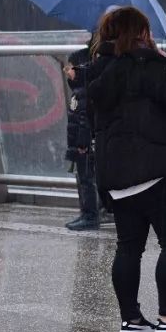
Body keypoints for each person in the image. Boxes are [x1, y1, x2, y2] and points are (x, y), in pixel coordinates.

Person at [86, 6, 166, 332]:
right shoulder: (144, 65)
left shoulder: (98, 69)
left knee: (128, 247)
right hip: (154, 170)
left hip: (117, 176)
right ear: (139, 33)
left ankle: (131, 321)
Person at [64, 41, 100, 231]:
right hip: (81, 137)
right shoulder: (80, 91)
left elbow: (84, 117)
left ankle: (90, 215)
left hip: (84, 140)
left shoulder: (84, 92)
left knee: (86, 176)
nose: (68, 72)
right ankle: (89, 213)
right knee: (86, 176)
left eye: (72, 69)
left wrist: (83, 141)